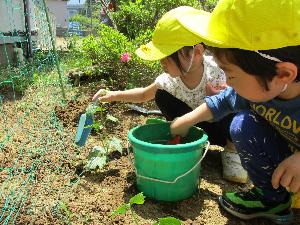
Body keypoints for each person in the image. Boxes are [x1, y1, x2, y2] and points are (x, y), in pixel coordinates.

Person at [170, 2, 300, 224]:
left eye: (232, 76)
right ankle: (272, 199)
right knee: (243, 124)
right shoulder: (255, 90)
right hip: (286, 167)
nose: (227, 83)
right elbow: (223, 102)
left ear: (283, 74)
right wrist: (186, 120)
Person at [92, 6, 247, 183]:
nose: (162, 62)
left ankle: (232, 151)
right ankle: (188, 141)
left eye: (167, 56)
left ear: (196, 53)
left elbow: (245, 97)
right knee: (161, 95)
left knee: (233, 97)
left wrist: (224, 94)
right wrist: (113, 95)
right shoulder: (169, 81)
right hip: (194, 128)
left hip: (222, 129)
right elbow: (143, 95)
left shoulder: (218, 71)